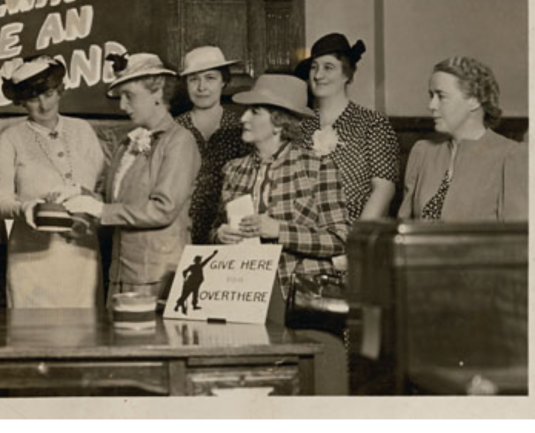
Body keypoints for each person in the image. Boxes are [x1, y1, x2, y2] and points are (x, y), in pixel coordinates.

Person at [212, 74, 349, 394]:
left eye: (254, 111)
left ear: (278, 121)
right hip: (245, 295)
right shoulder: (234, 170)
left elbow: (339, 238)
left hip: (301, 296)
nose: (243, 117)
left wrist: (280, 231)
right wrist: (219, 236)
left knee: (316, 383)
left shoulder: (316, 167)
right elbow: (215, 231)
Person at [65, 53, 201, 305]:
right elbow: (113, 201)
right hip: (121, 271)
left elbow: (163, 210)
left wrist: (100, 208)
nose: (122, 106)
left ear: (157, 91)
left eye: (130, 96)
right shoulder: (128, 142)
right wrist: (80, 195)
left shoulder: (180, 141)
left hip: (157, 275)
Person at [0, 56, 106, 308]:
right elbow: (0, 202)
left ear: (59, 90)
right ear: (22, 102)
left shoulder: (83, 130)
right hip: (31, 258)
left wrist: (89, 199)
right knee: (33, 337)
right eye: (33, 99)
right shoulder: (11, 138)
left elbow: (103, 189)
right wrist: (25, 208)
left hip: (82, 255)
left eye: (49, 93)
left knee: (84, 337)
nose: (43, 105)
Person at [399, 56, 528, 221]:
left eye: (441, 96)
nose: (431, 105)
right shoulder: (423, 152)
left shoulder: (510, 156)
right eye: (431, 95)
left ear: (474, 100)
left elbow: (516, 240)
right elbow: (404, 229)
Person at [295, 33, 399, 223]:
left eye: (328, 67)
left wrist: (355, 242)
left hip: (355, 234)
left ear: (347, 74)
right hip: (303, 235)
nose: (318, 75)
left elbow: (384, 190)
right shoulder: (301, 125)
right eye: (314, 67)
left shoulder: (373, 124)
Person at [175, 46, 252, 243]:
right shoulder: (174, 129)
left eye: (210, 78)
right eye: (194, 79)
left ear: (224, 81)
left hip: (228, 231)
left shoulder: (242, 128)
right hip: (179, 229)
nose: (202, 87)